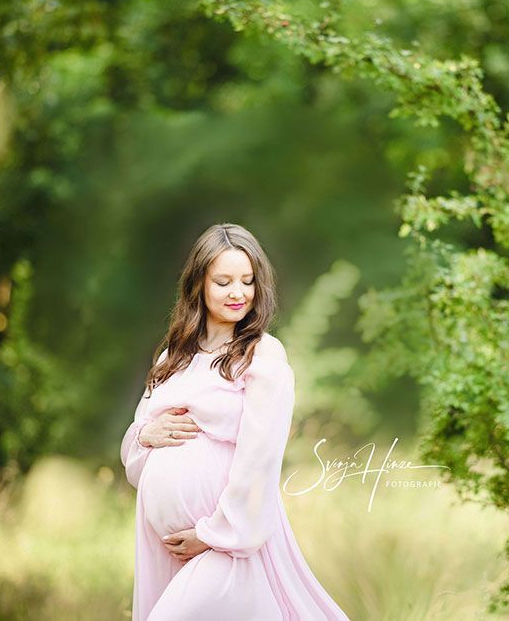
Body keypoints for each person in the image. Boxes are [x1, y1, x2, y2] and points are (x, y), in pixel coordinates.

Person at [120, 223, 350, 621]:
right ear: (199, 285)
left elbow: (259, 459)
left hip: (227, 544)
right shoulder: (173, 357)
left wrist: (213, 534)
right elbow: (133, 455)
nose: (238, 293)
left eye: (247, 281)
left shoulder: (262, 356)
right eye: (223, 281)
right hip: (170, 547)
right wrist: (146, 434)